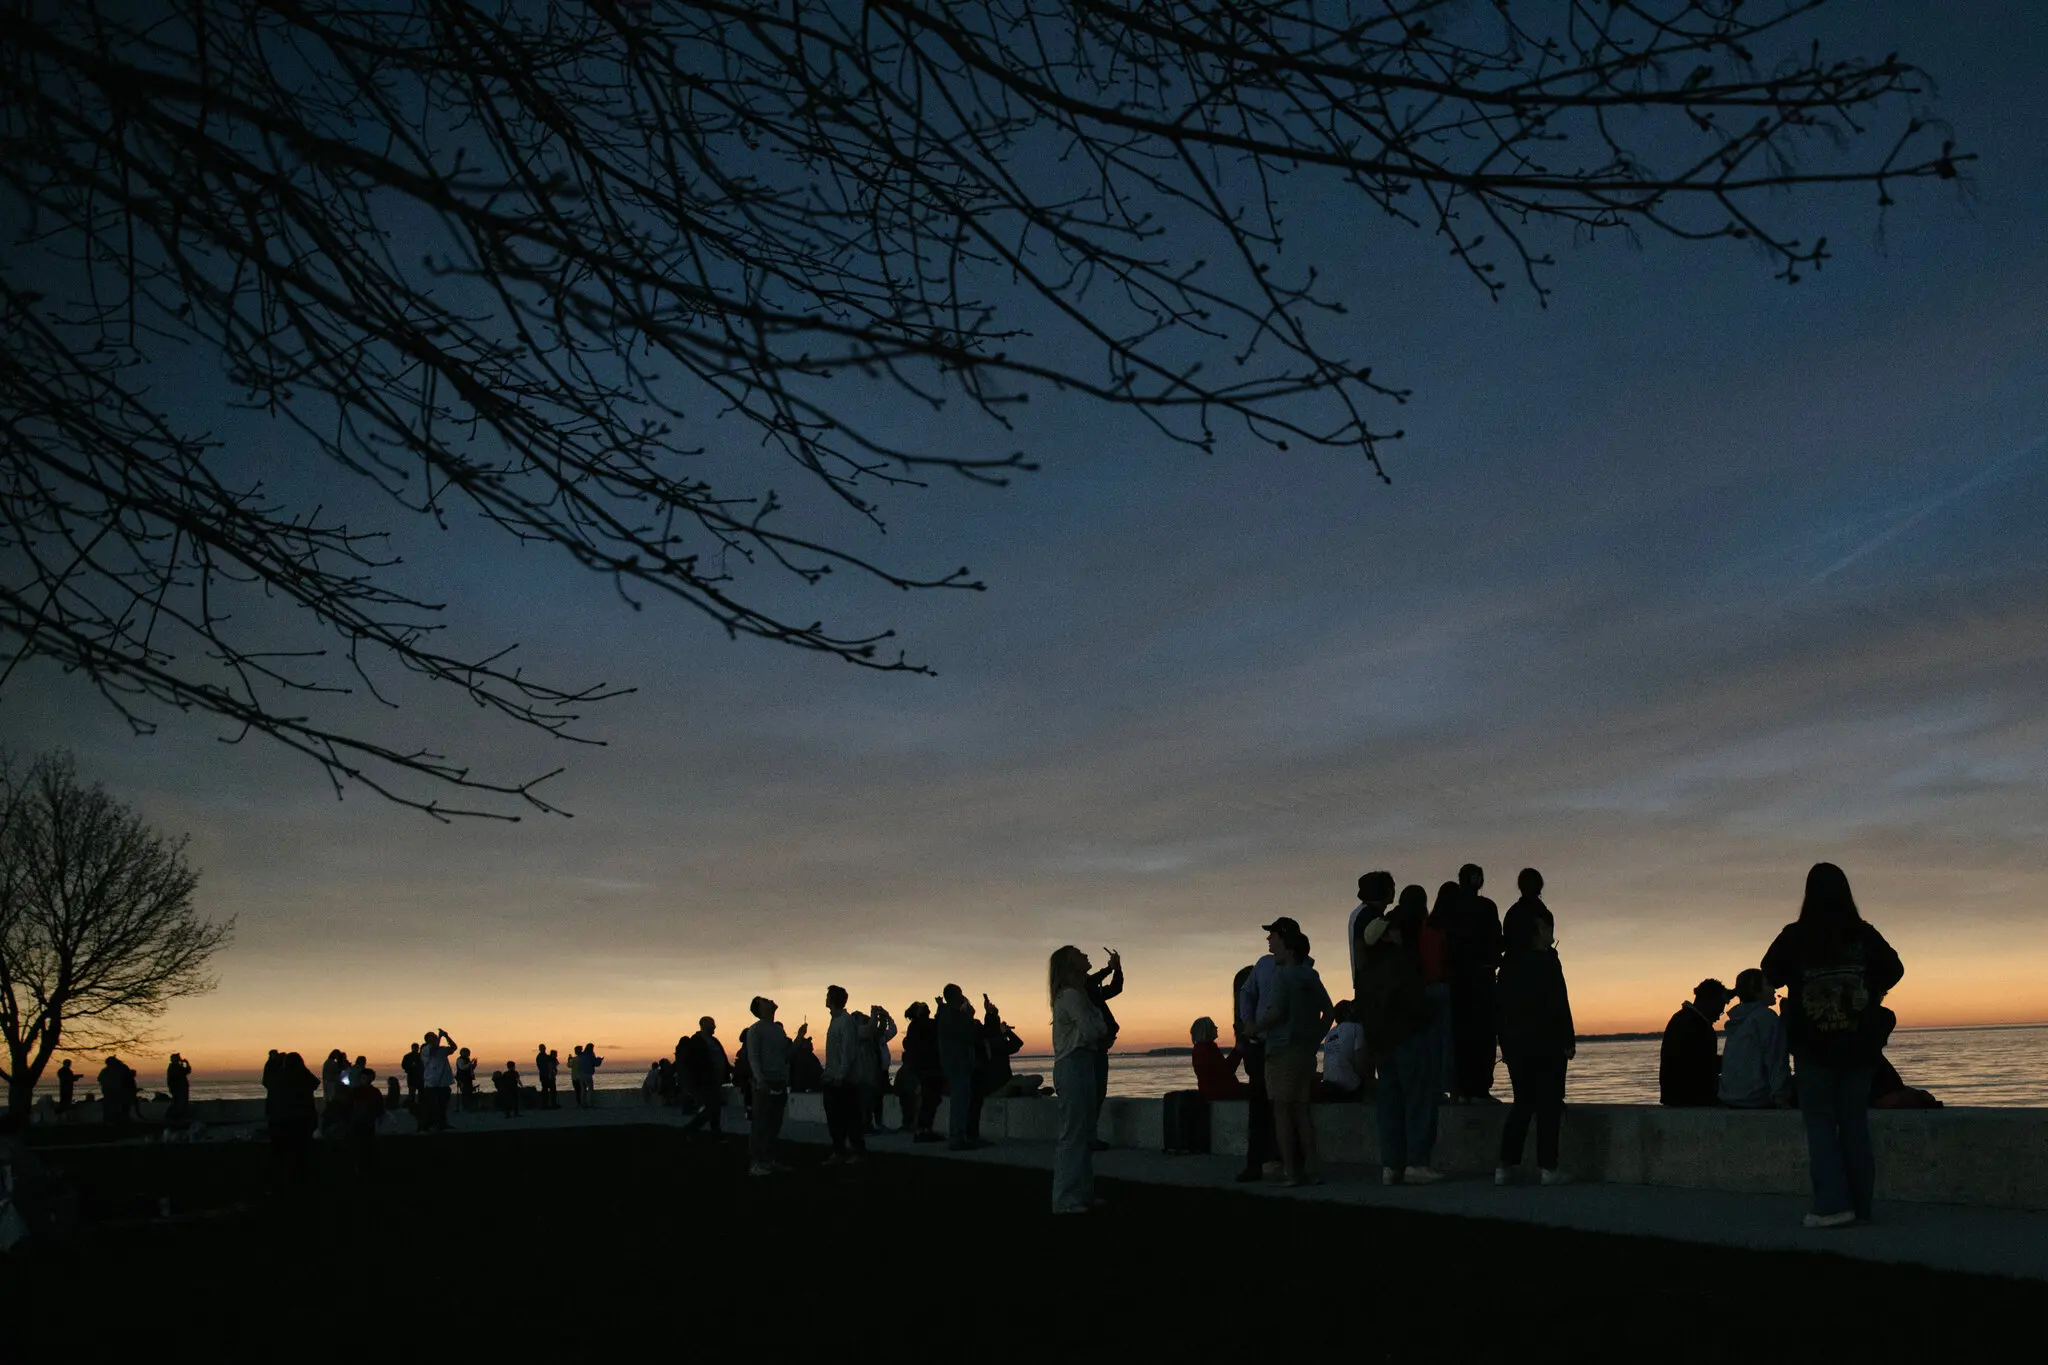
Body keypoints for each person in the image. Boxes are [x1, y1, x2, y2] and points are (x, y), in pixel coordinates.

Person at [1762, 862, 1904, 1229]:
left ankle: (1831, 1205)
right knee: (1854, 1123)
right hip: (1859, 1048)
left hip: (1813, 1049)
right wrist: (1867, 987)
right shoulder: (1863, 934)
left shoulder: (1795, 936)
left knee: (1821, 1124)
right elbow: (1895, 969)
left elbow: (1770, 971)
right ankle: (1860, 1206)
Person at [1355, 889, 1440, 1184]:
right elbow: (1414, 1002)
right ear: (1388, 936)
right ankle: (1418, 1163)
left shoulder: (1366, 972)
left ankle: (1391, 1166)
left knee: (1389, 1105)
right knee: (1418, 1101)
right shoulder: (1401, 963)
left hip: (1381, 1045)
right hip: (1408, 1038)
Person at [1494, 899, 1575, 1186]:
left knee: (1523, 1103)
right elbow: (1558, 1002)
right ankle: (1548, 1168)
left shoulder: (1508, 967)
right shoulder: (1547, 962)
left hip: (1516, 1045)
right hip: (1547, 1043)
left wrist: (1504, 1043)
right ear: (1540, 928)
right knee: (1549, 1105)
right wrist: (1567, 1038)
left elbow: (1499, 1008)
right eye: (1549, 925)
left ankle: (1505, 1165)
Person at [1258, 928, 1334, 1186]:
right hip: (1305, 1052)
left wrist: (1253, 1028)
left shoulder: (1283, 976)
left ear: (1289, 951)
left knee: (1281, 1112)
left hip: (1281, 1051)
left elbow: (1275, 1012)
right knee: (1302, 1111)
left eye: (1277, 944)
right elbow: (1329, 1012)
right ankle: (1312, 1170)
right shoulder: (1311, 976)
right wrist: (1315, 1039)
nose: (1272, 946)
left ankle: (1291, 1172)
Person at [1234, 917, 1298, 1183]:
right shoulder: (1262, 965)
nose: (1268, 939)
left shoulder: (1300, 967)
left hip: (1284, 1047)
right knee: (1259, 1107)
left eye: (1272, 935)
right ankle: (1256, 1163)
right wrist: (1248, 1021)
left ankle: (1291, 1163)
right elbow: (1246, 993)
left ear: (1284, 937)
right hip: (1260, 1046)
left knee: (1288, 1106)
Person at [1049, 945, 1110, 1213]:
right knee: (1074, 1134)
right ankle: (1064, 1198)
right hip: (1073, 1064)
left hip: (1082, 1063)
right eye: (1079, 954)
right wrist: (1097, 1026)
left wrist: (1097, 1026)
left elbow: (1097, 1028)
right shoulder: (1072, 996)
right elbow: (1094, 1029)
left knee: (1084, 1133)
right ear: (1070, 963)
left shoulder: (1078, 994)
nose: (1086, 955)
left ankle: (1082, 1193)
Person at [1444, 864, 1504, 1103]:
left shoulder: (1450, 909)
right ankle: (1480, 1088)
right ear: (1479, 881)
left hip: (1457, 980)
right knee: (1484, 1035)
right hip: (1482, 978)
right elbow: (1497, 941)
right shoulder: (1487, 907)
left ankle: (1462, 1089)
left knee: (1460, 1035)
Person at [742, 997, 799, 1176]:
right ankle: (756, 1163)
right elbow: (753, 1057)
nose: (771, 1000)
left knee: (774, 1123)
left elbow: (786, 1056)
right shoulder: (755, 1030)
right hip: (764, 1083)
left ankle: (768, 1159)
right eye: (765, 1001)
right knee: (760, 1124)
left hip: (779, 1082)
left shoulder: (777, 1030)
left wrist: (799, 1037)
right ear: (759, 1008)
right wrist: (760, 1080)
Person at [1719, 969, 1792, 1108]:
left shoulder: (1738, 1020)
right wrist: (1781, 1099)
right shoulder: (1766, 1017)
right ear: (1756, 991)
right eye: (1768, 984)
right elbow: (1776, 1060)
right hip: (1756, 1098)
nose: (1774, 989)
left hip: (1731, 1097)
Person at [1660, 979, 1731, 1107]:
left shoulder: (1682, 1019)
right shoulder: (1696, 1024)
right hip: (1690, 1098)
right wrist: (1731, 1063)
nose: (1719, 1016)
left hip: (1676, 1097)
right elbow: (1701, 1064)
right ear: (1709, 1001)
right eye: (1719, 1010)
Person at [822, 985, 870, 1163]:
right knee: (836, 1119)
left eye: (827, 996)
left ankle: (858, 1151)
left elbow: (847, 1052)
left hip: (843, 1081)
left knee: (850, 1118)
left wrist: (840, 1076)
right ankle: (839, 1150)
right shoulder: (836, 1021)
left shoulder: (845, 1021)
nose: (825, 999)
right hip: (834, 1078)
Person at [937, 984, 985, 1150]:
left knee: (961, 1100)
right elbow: (966, 1035)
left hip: (956, 1063)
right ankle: (957, 1138)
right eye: (960, 994)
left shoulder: (948, 1014)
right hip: (958, 1063)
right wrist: (970, 1016)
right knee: (960, 1101)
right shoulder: (952, 1015)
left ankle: (959, 1136)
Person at [1085, 950, 1124, 1149]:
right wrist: (1110, 968)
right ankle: (1086, 1138)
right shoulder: (1079, 988)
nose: (1086, 956)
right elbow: (1089, 983)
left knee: (1098, 1094)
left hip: (1100, 1049)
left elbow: (1115, 988)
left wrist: (1116, 969)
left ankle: (1090, 1137)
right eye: (1082, 956)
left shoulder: (1091, 989)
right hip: (1092, 1050)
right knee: (1092, 1095)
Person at [266, 1050, 319, 1184]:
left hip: (280, 1122)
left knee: (282, 1156)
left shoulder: (276, 1078)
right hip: (301, 1122)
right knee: (301, 1155)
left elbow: (270, 1099)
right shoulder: (302, 1076)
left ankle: (282, 1183)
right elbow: (315, 1083)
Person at [1347, 870, 1396, 1005]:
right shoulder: (1369, 915)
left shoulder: (1360, 913)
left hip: (1366, 985)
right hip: (1374, 987)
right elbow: (1360, 949)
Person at [680, 1018, 731, 1135]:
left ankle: (715, 1133)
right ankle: (690, 1129)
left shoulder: (714, 1041)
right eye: (711, 1024)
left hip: (715, 1080)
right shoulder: (696, 1041)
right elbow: (690, 1062)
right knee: (712, 1108)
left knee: (715, 1108)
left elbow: (722, 1058)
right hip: (704, 1081)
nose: (714, 1027)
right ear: (703, 1025)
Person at [901, 1001, 941, 1140]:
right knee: (929, 1100)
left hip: (924, 1068)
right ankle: (924, 1130)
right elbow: (937, 1024)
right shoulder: (920, 1025)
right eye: (923, 1007)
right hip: (927, 1068)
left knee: (930, 1100)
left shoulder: (917, 1026)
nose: (926, 1008)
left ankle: (924, 1130)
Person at [1315, 1001, 1365, 1102]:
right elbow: (1359, 1057)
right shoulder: (1357, 1028)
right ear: (1347, 1014)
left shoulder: (1330, 1033)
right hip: (1349, 1087)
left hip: (1329, 1085)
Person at [1189, 1017, 1243, 1099]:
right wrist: (1238, 1051)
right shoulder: (1208, 1049)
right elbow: (1226, 1071)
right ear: (1207, 1031)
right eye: (1213, 1026)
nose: (1216, 1028)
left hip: (1209, 1092)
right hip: (1219, 1092)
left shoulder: (1199, 1049)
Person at [417, 1029, 458, 1132]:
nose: (436, 1037)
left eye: (435, 1036)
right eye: (433, 1036)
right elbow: (433, 1048)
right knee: (433, 1105)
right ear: (428, 1040)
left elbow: (454, 1048)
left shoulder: (442, 1049)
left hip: (443, 1082)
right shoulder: (426, 1049)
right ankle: (431, 1124)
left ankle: (442, 1123)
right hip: (432, 1083)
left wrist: (447, 1037)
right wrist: (440, 1037)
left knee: (443, 1105)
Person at [868, 1005, 898, 1131]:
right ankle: (872, 1124)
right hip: (875, 1072)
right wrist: (874, 1015)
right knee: (873, 1098)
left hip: (883, 1072)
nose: (883, 1025)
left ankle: (878, 1123)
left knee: (879, 1098)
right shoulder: (872, 1037)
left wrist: (887, 1016)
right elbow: (872, 1029)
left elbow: (893, 1030)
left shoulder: (882, 1037)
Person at [165, 1053, 193, 1125]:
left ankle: (178, 1117)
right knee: (178, 1103)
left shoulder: (177, 1067)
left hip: (181, 1088)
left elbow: (187, 1071)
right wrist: (185, 1064)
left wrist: (186, 1064)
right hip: (178, 1088)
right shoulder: (174, 1067)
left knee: (181, 1103)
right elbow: (185, 1071)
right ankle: (173, 1118)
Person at [402, 1043, 424, 1114]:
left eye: (417, 1047)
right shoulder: (408, 1056)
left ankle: (419, 1107)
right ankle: (412, 1107)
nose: (416, 1049)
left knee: (420, 1093)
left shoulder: (420, 1056)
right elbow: (404, 1065)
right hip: (413, 1077)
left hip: (419, 1077)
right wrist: (410, 1068)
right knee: (412, 1094)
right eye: (415, 1047)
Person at [535, 1045, 559, 1110]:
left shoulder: (542, 1056)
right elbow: (548, 1065)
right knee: (549, 1090)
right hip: (546, 1076)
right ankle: (548, 1105)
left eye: (544, 1048)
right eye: (543, 1048)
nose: (544, 1049)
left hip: (546, 1075)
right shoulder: (543, 1057)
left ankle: (549, 1104)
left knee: (548, 1090)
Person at [454, 1048, 479, 1113]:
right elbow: (463, 1067)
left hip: (468, 1078)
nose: (468, 1054)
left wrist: (474, 1064)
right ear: (462, 1053)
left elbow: (470, 1069)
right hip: (463, 1078)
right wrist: (470, 1063)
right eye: (467, 1053)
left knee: (468, 1091)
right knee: (465, 1092)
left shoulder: (467, 1060)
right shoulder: (460, 1060)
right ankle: (465, 1107)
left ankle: (468, 1106)